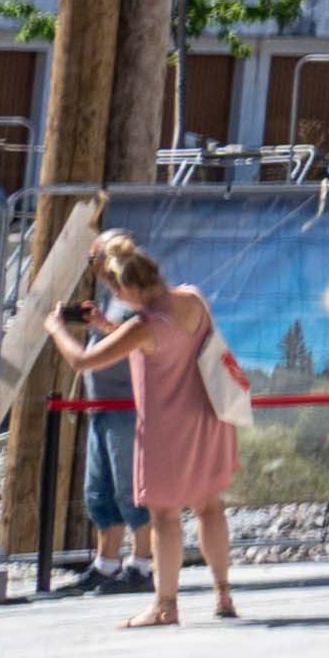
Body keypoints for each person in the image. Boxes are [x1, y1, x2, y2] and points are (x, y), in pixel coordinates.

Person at [47, 242, 243, 627]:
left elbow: (83, 361)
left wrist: (57, 329)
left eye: (115, 290)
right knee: (209, 506)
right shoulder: (192, 299)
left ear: (125, 287)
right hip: (207, 419)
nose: (118, 298)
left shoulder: (143, 326)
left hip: (166, 429)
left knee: (165, 517)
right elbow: (168, 342)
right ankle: (223, 593)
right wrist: (107, 327)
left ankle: (166, 605)